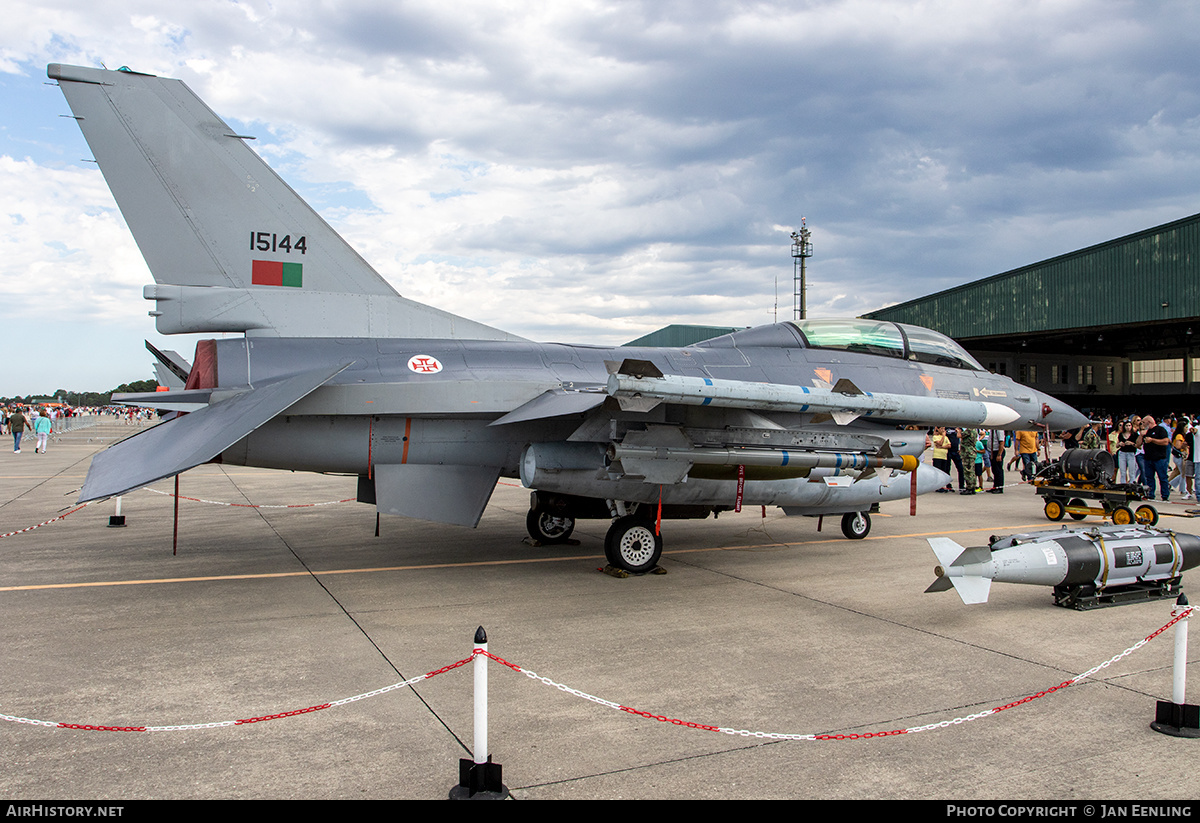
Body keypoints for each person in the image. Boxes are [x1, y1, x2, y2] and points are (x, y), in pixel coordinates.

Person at [1139, 416, 1171, 502]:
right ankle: (1150, 494)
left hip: (1159, 458)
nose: (1142, 425)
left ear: (1149, 422)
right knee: (1149, 477)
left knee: (1162, 477)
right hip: (1148, 458)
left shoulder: (1160, 430)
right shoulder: (1146, 432)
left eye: (1143, 423)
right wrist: (1141, 435)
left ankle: (1165, 495)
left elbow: (1165, 442)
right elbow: (1138, 444)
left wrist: (1152, 440)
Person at [1115, 419, 1139, 484]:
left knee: (1132, 470)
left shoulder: (1134, 435)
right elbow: (1117, 445)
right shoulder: (1121, 434)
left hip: (1131, 453)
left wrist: (1131, 443)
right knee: (1122, 470)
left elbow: (1138, 445)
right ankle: (1123, 483)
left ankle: (1132, 482)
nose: (1128, 427)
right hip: (1122, 453)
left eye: (1129, 426)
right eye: (1126, 426)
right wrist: (1120, 444)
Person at [930, 427, 952, 492]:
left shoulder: (946, 438)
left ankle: (942, 486)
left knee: (943, 471)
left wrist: (942, 447)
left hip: (944, 456)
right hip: (937, 456)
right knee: (937, 472)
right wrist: (943, 436)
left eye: (944, 429)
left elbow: (949, 445)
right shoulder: (936, 437)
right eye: (941, 429)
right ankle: (937, 486)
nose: (943, 430)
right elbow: (940, 443)